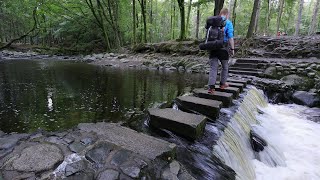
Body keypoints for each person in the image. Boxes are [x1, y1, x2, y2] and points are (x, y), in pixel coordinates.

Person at [207, 8, 235, 94]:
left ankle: (211, 88)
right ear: (226, 14)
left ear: (220, 13)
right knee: (225, 66)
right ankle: (222, 84)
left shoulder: (213, 22)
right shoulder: (228, 23)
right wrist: (233, 49)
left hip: (213, 47)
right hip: (223, 47)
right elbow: (230, 37)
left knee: (213, 67)